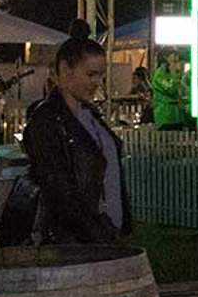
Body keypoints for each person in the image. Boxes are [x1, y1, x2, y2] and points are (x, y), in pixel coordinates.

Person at [25, 27, 131, 244]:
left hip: (102, 234)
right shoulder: (47, 120)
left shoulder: (90, 116)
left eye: (101, 75)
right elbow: (59, 187)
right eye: (91, 74)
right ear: (65, 70)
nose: (97, 83)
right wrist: (94, 231)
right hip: (74, 241)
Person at [151, 51, 191, 129]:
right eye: (174, 62)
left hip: (178, 116)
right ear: (165, 59)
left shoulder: (174, 73)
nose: (177, 64)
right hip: (165, 116)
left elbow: (182, 90)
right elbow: (171, 90)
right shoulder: (159, 75)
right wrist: (174, 75)